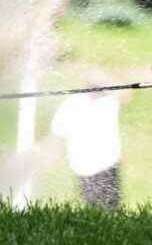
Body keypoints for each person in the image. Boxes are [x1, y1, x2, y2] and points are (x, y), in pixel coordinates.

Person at [50, 74, 128, 209]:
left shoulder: (107, 102)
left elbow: (126, 95)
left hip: (107, 166)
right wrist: (55, 157)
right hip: (84, 168)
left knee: (112, 207)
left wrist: (105, 79)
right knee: (93, 208)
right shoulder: (72, 103)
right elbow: (58, 133)